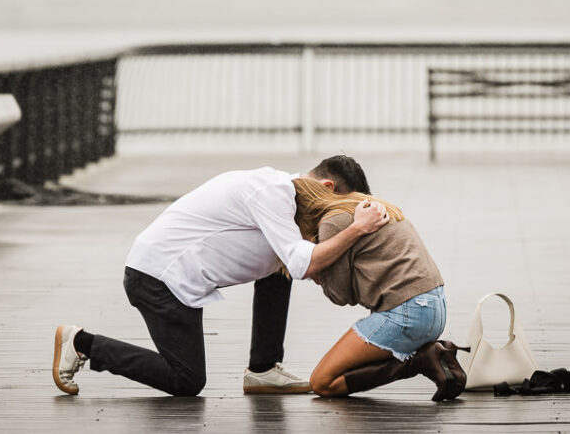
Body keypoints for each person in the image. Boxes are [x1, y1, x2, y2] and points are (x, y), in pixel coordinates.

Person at [52, 155, 387, 397]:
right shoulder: (273, 191)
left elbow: (296, 261)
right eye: (339, 208)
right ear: (327, 186)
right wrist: (357, 229)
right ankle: (82, 343)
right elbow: (304, 264)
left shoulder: (285, 198)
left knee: (280, 267)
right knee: (186, 381)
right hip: (158, 278)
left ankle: (263, 369)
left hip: (172, 274)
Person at [292, 177, 468, 401]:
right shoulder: (365, 205)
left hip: (406, 313)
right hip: (434, 309)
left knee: (322, 382)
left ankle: (420, 361)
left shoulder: (331, 224)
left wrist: (314, 263)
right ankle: (425, 357)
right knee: (341, 369)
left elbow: (340, 295)